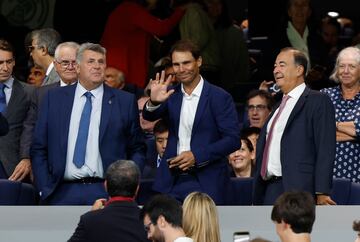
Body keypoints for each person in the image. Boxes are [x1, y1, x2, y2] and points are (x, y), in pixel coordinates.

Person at [31, 43, 146, 205]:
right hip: (60, 191)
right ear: (77, 67)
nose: (97, 66)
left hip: (107, 192)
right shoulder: (54, 99)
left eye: (101, 62)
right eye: (90, 61)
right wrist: (44, 187)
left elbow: (137, 148)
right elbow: (39, 148)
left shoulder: (124, 101)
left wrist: (126, 186)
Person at [142, 39, 240, 204]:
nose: (181, 69)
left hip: (206, 180)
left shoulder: (219, 97)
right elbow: (149, 116)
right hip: (172, 181)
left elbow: (232, 140)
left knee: (202, 230)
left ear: (199, 61)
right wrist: (153, 102)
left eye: (186, 63)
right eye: (176, 64)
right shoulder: (170, 94)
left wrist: (197, 156)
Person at [253, 47, 336, 205]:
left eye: (282, 65)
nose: (276, 70)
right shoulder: (277, 107)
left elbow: (325, 148)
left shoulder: (317, 101)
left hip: (299, 189)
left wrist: (322, 191)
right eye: (275, 66)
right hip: (269, 188)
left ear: (299, 69)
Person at [12, 42, 80, 182]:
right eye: (65, 63)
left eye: (74, 62)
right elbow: (30, 127)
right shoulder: (42, 93)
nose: (70, 67)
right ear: (56, 65)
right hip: (48, 170)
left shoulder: (92, 92)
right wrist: (26, 157)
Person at [100, 0, 185, 88]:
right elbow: (161, 28)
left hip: (117, 66)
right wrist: (180, 10)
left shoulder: (126, 8)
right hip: (120, 69)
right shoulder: (131, 9)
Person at [68, 160, 148, 242]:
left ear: (105, 186)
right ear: (137, 188)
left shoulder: (89, 221)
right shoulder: (148, 222)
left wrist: (93, 216)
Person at [320, 47, 360, 183]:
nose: (346, 71)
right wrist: (354, 132)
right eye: (342, 66)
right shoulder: (324, 95)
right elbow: (316, 131)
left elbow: (325, 131)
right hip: (326, 175)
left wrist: (333, 124)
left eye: (352, 66)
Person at [0, 39, 34, 178]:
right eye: (0, 63)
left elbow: (33, 129)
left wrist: (27, 158)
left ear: (14, 62)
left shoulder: (30, 92)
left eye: (8, 62)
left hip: (14, 169)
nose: (5, 68)